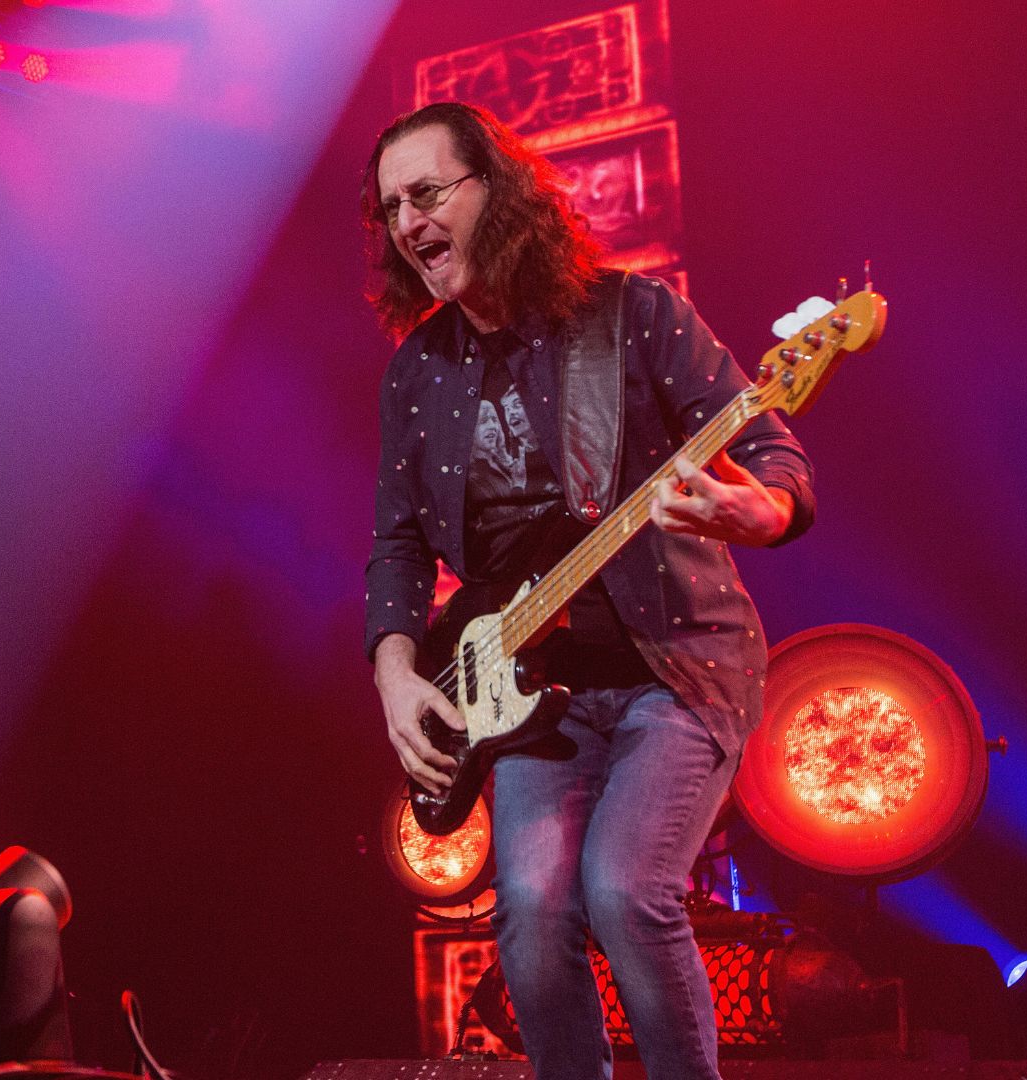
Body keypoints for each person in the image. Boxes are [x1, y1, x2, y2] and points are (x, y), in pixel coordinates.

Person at [362, 102, 814, 1080]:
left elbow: (770, 447)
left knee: (623, 889)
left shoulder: (632, 316)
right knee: (529, 924)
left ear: (498, 191)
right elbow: (396, 545)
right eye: (393, 205)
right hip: (527, 692)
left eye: (428, 192)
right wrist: (398, 674)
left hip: (675, 656)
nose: (408, 222)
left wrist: (761, 512)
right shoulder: (417, 374)